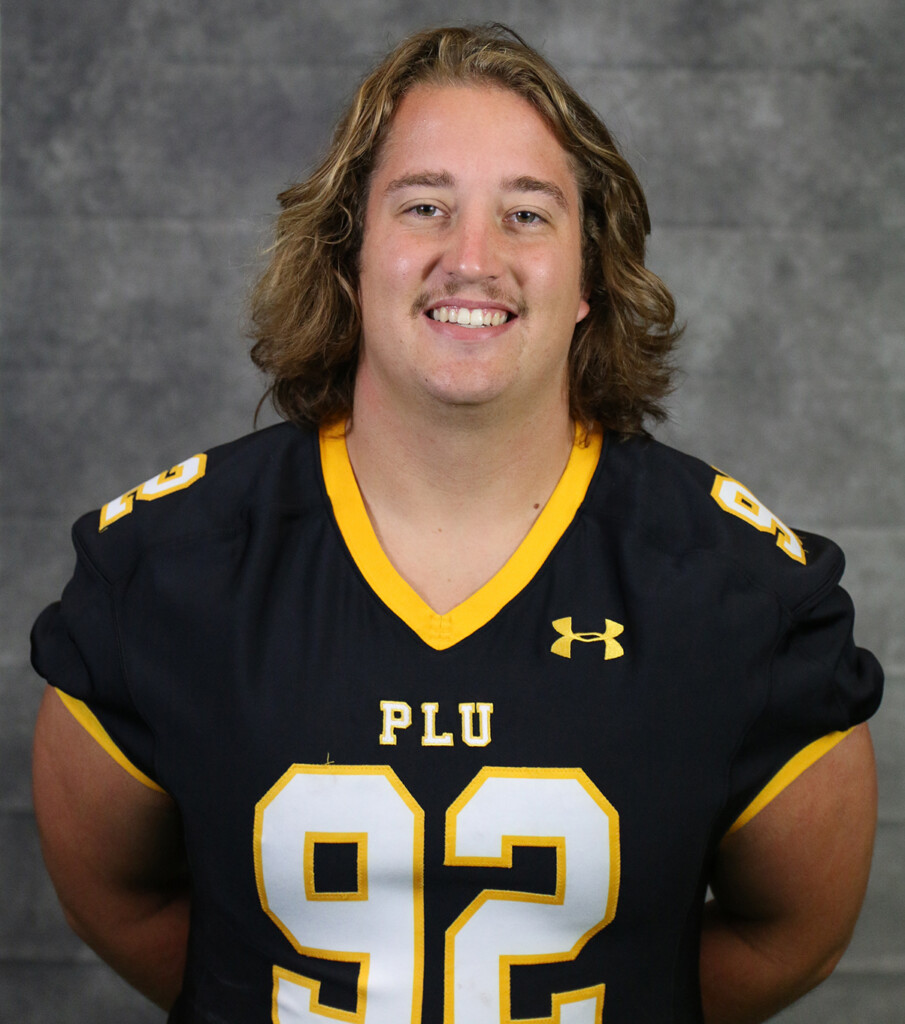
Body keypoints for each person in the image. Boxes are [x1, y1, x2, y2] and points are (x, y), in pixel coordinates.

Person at [31, 23, 882, 1024]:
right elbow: (117, 898)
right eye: (424, 206)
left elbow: (793, 935)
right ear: (350, 253)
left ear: (589, 277)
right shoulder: (169, 566)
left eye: (526, 214)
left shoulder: (736, 593)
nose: (469, 259)